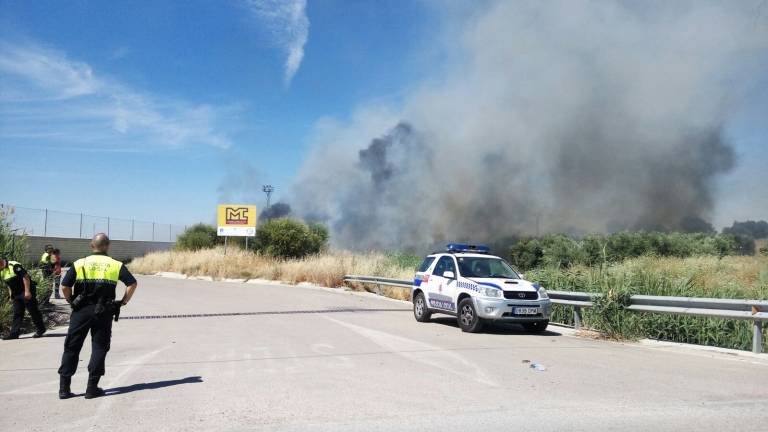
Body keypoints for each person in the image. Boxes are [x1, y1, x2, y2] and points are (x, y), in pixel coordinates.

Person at [58, 233, 138, 400]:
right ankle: (91, 388)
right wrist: (122, 302)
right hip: (104, 312)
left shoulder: (80, 263)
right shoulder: (115, 264)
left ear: (91, 245)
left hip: (81, 311)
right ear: (108, 246)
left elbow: (65, 286)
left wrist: (72, 300)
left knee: (72, 346)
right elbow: (132, 283)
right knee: (99, 347)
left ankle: (64, 389)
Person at [0, 257, 47, 340]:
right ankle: (14, 334)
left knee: (33, 310)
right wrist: (11, 295)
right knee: (17, 313)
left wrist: (27, 291)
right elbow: (9, 284)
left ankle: (41, 329)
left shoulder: (14, 265)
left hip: (25, 290)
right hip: (16, 294)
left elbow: (25, 277)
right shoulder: (2, 271)